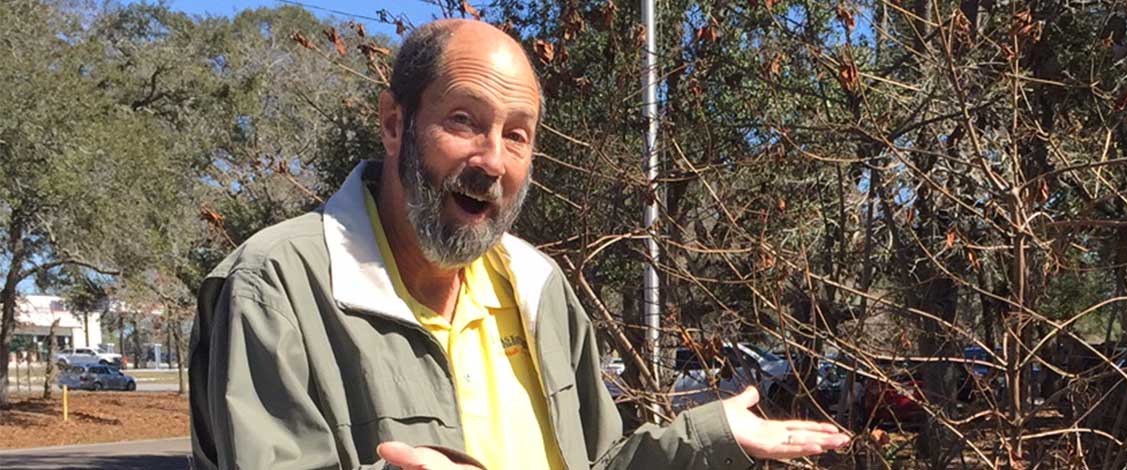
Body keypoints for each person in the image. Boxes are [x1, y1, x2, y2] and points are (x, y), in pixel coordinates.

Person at [187, 19, 850, 469]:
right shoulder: (278, 284)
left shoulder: (536, 285)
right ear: (395, 124)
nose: (494, 160)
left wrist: (708, 438)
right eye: (464, 121)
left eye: (517, 134)